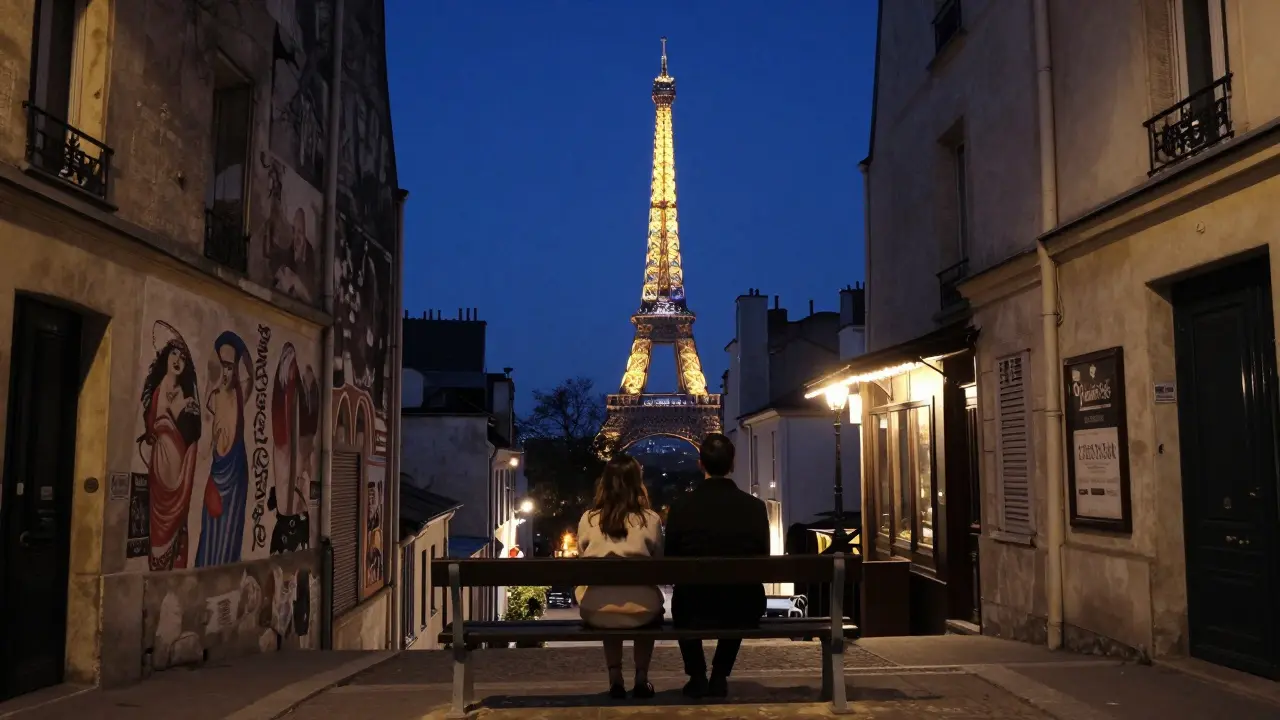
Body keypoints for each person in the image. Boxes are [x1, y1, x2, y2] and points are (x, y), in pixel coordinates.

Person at [665, 433, 770, 699]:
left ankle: (698, 675)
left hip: (693, 604)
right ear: (732, 464)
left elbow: (671, 559)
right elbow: (763, 556)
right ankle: (720, 674)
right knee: (740, 593)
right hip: (742, 605)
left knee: (684, 600)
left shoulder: (680, 507)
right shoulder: (756, 507)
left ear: (700, 464)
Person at [575, 454, 665, 699]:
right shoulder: (651, 519)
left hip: (597, 610)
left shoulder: (588, 519)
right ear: (638, 482)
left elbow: (583, 560)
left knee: (606, 597)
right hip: (642, 611)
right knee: (642, 600)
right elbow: (660, 564)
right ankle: (641, 677)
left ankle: (615, 678)